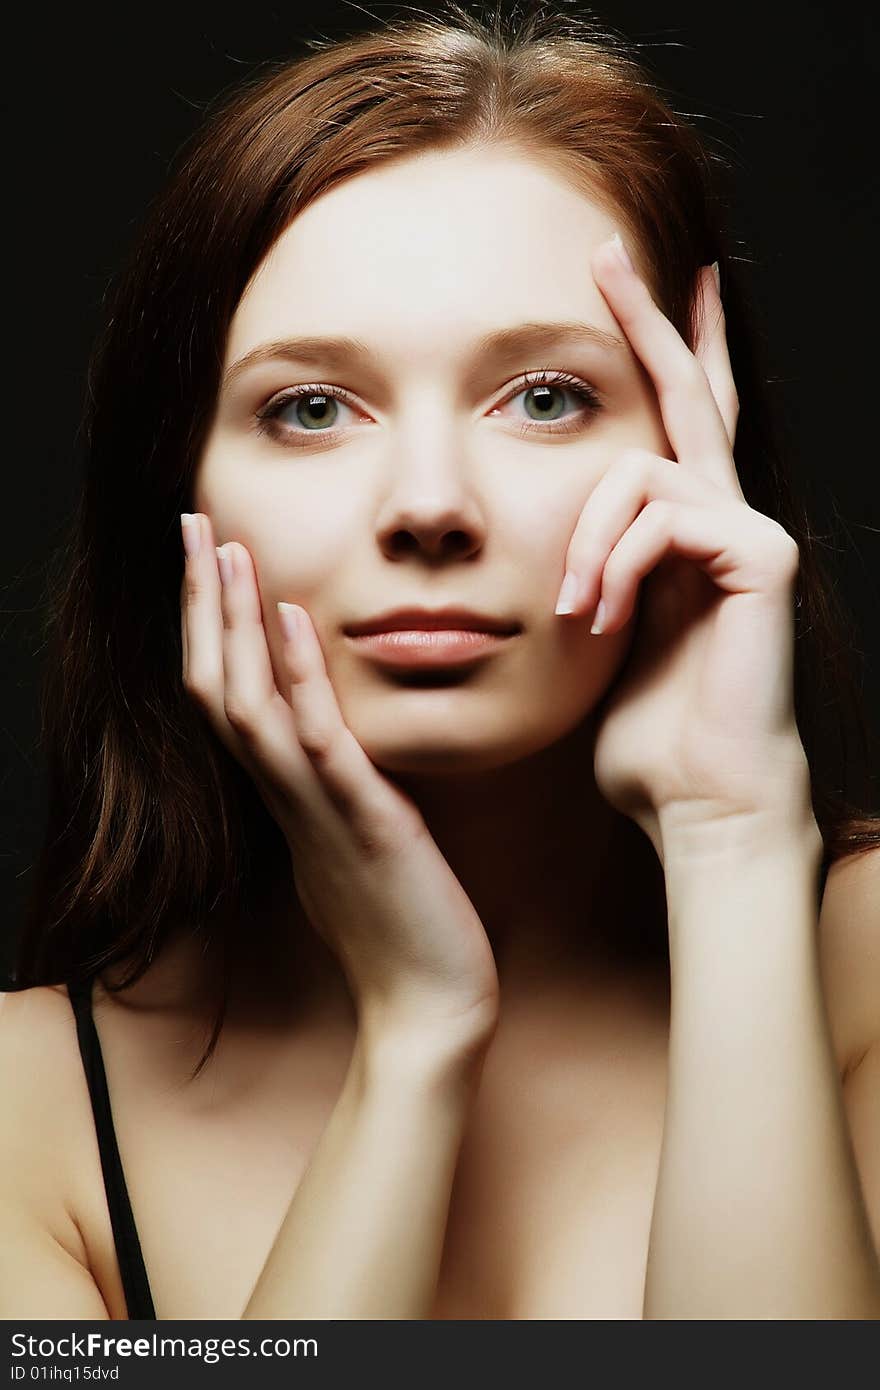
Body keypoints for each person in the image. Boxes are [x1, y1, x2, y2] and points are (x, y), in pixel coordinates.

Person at [3, 2, 879, 1322]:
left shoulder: (863, 967)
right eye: (310, 407)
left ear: (701, 454)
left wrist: (733, 840)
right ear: (176, 489)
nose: (428, 503)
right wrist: (413, 1039)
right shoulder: (31, 1112)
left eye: (544, 396)